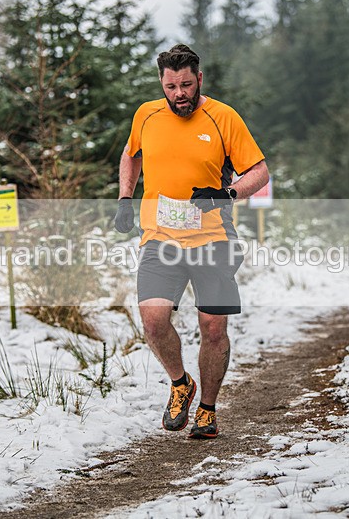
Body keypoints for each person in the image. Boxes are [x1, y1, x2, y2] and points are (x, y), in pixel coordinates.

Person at [113, 44, 269, 439]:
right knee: (153, 321)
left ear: (199, 79)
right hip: (159, 237)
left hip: (213, 237)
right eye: (171, 86)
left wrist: (227, 194)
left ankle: (208, 409)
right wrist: (125, 199)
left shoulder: (223, 117)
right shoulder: (146, 115)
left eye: (186, 84)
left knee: (212, 328)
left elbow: (260, 171)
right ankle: (181, 384)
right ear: (161, 83)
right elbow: (131, 155)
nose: (179, 93)